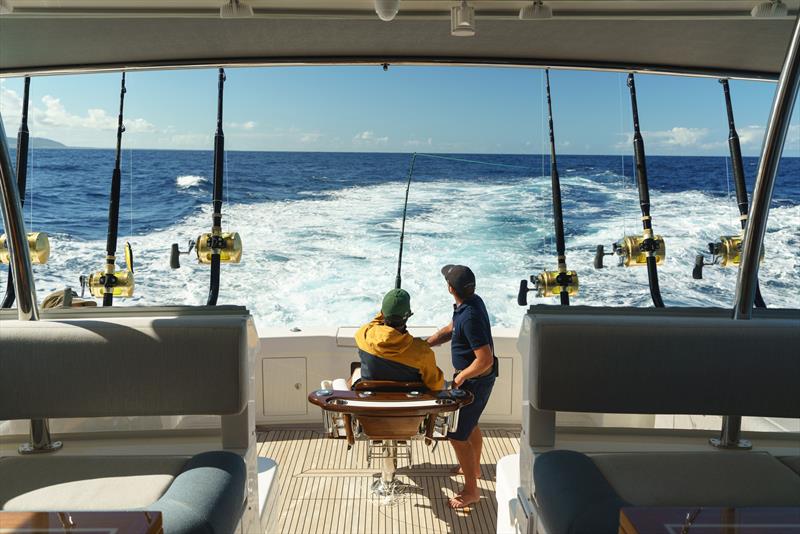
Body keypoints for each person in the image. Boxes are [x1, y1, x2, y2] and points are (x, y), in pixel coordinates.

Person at [427, 264, 496, 509]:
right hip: (477, 380)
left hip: (474, 381)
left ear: (450, 288)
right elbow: (451, 328)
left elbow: (484, 359)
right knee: (470, 424)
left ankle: (471, 491)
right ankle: (474, 469)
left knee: (456, 436)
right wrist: (427, 344)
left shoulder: (469, 317)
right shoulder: (471, 303)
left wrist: (461, 377)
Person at [354, 288, 445, 391]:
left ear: (383, 313)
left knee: (355, 374)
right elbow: (436, 386)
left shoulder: (364, 335)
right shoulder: (422, 351)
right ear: (407, 316)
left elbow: (372, 324)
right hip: (407, 404)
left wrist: (387, 310)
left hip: (371, 402)